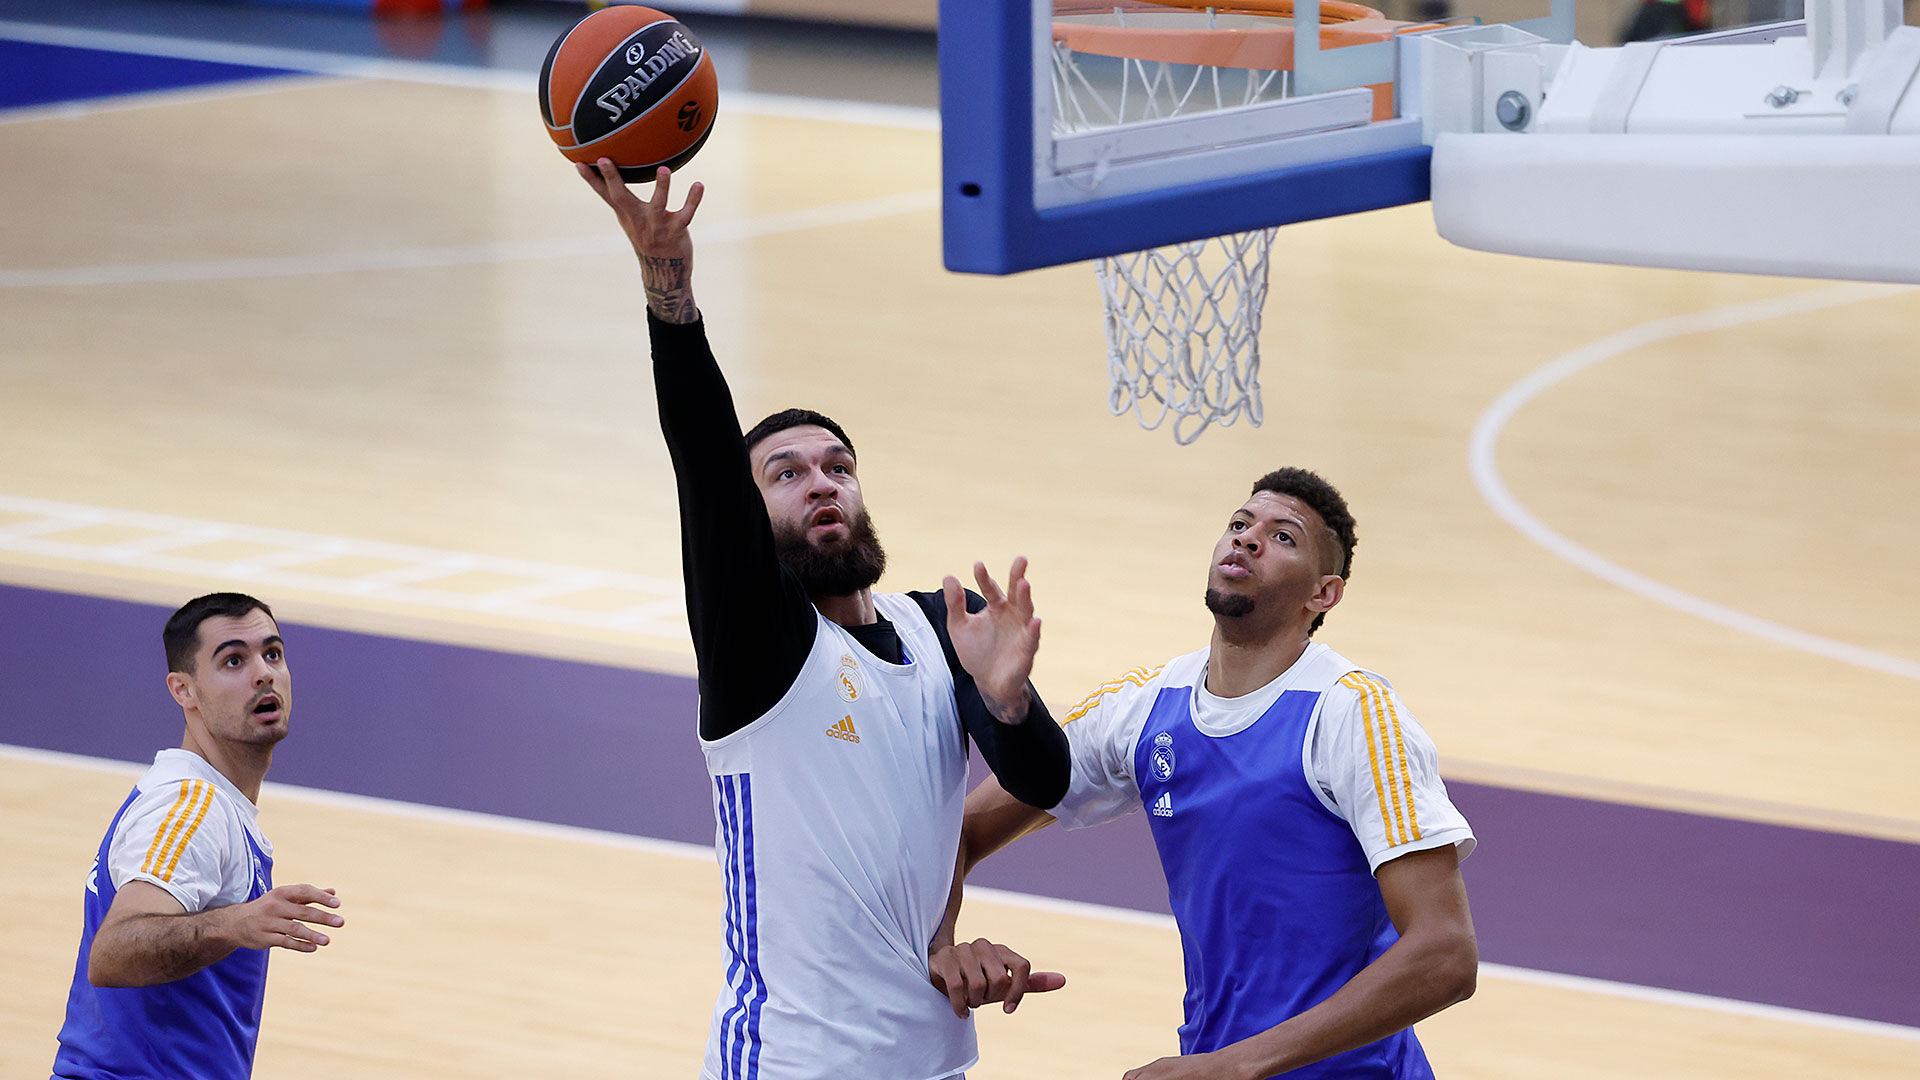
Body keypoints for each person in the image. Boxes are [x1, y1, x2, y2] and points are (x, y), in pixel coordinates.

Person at [577, 160, 1072, 1080]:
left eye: (837, 466)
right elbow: (702, 462)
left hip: (934, 1059)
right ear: (753, 510)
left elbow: (1041, 777)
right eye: (787, 474)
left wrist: (1007, 703)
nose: (821, 483)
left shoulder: (940, 628)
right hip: (792, 1061)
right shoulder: (760, 648)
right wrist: (668, 293)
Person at [935, 468, 1480, 1080]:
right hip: (1215, 1063)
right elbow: (955, 836)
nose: (1247, 540)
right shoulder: (1143, 705)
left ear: (1324, 594)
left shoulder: (1352, 713)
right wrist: (944, 946)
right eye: (1240, 524)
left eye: (1283, 538)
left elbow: (1445, 954)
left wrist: (1235, 1066)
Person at [52, 592, 344, 1080]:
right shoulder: (192, 808)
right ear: (183, 690)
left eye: (272, 653)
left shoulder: (212, 801)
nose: (263, 673)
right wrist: (234, 924)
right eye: (233, 660)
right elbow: (114, 952)